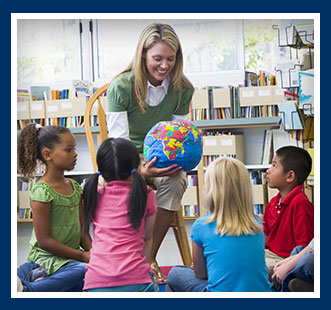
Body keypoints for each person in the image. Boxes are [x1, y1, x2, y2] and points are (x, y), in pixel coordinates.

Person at [105, 23, 194, 283]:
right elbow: (118, 145)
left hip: (162, 157)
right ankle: (124, 258)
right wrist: (140, 170)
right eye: (157, 58)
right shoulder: (121, 87)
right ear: (143, 55)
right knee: (123, 185)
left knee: (176, 181)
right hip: (127, 158)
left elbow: (181, 137)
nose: (164, 65)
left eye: (170, 58)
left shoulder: (182, 89)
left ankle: (146, 259)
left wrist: (175, 162)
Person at [166, 157, 271, 292]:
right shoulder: (257, 224)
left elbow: (201, 274)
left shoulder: (201, 226)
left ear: (210, 189)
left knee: (175, 274)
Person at [17, 123, 92, 292]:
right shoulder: (42, 191)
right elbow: (44, 241)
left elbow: (83, 232)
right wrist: (82, 256)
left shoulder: (75, 186)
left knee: (98, 271)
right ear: (47, 154)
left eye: (74, 149)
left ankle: (38, 279)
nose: (75, 154)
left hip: (70, 258)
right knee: (85, 271)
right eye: (68, 150)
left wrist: (95, 254)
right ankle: (30, 289)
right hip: (47, 258)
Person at [81, 138, 159, 292]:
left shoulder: (94, 194)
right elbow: (147, 238)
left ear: (101, 171)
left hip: (95, 283)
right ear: (137, 167)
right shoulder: (147, 195)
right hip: (137, 281)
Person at [263, 146, 314, 281]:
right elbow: (265, 237)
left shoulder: (300, 204)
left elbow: (303, 247)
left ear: (290, 176)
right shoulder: (273, 202)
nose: (268, 171)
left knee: (255, 269)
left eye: (274, 166)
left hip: (286, 259)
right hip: (269, 254)